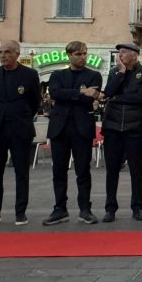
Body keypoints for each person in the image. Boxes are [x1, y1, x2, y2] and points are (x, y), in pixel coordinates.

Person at [0, 40, 42, 228]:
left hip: (20, 128)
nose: (3, 55)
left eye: (7, 52)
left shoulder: (29, 74)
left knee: (21, 172)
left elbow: (35, 102)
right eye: (0, 52)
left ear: (17, 54)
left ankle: (20, 212)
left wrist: (21, 115)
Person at [43, 41, 102, 225]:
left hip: (81, 128)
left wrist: (74, 95)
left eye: (84, 53)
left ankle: (85, 209)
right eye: (78, 54)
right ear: (69, 55)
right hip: (60, 127)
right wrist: (81, 92)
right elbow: (55, 93)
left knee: (83, 170)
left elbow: (89, 99)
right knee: (59, 170)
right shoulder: (57, 75)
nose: (82, 57)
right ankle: (60, 209)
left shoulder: (94, 75)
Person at [102, 42, 142, 222]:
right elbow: (108, 92)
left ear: (134, 54)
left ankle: (137, 207)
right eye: (119, 53)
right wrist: (121, 73)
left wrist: (116, 98)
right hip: (113, 127)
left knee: (136, 170)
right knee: (112, 170)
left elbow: (141, 98)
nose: (120, 56)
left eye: (124, 52)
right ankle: (110, 208)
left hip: (135, 127)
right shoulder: (114, 72)